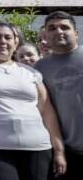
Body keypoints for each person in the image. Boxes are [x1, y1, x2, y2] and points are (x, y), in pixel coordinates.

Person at [0, 22, 66, 180]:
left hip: (38, 147)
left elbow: (47, 111)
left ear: (16, 42)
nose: (2, 41)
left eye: (8, 37)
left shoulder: (31, 73)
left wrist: (59, 150)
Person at [35, 11, 83, 179]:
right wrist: (58, 150)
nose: (58, 31)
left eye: (65, 27)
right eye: (52, 28)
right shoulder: (38, 69)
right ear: (45, 35)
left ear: (76, 34)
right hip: (68, 151)